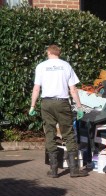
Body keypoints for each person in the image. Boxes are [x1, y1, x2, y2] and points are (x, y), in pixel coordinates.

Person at [29, 44, 87, 178]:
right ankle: (74, 170)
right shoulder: (66, 66)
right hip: (62, 103)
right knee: (68, 133)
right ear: (58, 53)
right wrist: (79, 107)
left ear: (48, 53)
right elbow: (73, 90)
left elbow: (36, 88)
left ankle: (53, 170)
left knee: (50, 133)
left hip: (46, 103)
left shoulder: (41, 66)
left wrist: (32, 106)